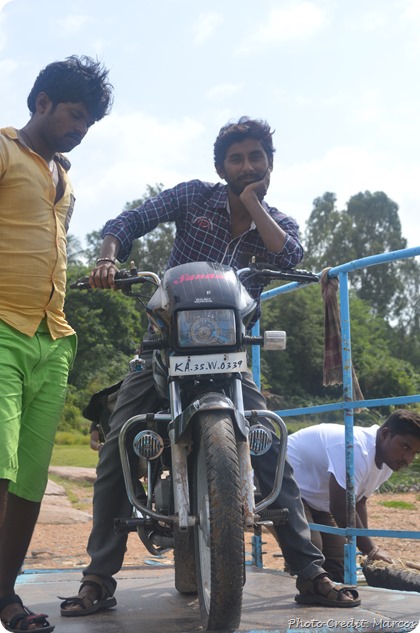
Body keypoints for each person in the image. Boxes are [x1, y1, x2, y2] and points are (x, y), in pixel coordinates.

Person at [60, 116, 360, 617]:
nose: (246, 166)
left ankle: (309, 572)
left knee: (269, 446)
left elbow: (289, 257)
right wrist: (109, 256)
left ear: (269, 163)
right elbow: (130, 220)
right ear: (220, 166)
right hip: (162, 347)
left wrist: (251, 204)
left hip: (230, 357)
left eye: (255, 157)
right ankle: (98, 578)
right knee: (117, 446)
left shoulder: (278, 221)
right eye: (236, 158)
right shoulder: (191, 198)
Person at [0, 56, 113, 633]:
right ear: (41, 101)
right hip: (1, 327)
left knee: (28, 482)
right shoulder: (3, 149)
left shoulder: (63, 177)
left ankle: (5, 598)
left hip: (53, 336)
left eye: (89, 122)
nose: (81, 128)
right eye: (74, 114)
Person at [287, 409, 420, 582]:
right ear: (385, 434)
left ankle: (325, 597)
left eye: (415, 453)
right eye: (405, 447)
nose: (408, 459)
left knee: (339, 557)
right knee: (312, 549)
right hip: (281, 485)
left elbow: (358, 503)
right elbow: (340, 507)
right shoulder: (356, 448)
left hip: (315, 502)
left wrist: (369, 548)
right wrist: (371, 549)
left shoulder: (387, 461)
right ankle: (295, 586)